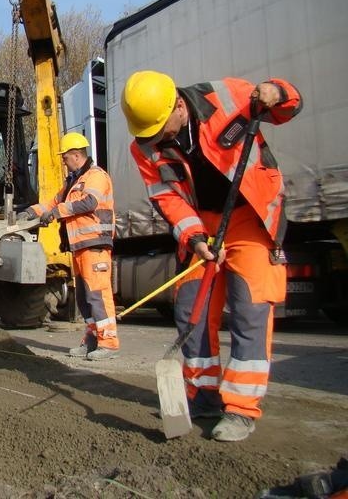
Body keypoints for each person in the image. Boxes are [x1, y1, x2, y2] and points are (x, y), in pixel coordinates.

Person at [121, 70, 302, 442]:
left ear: (177, 106)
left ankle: (240, 409)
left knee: (250, 308)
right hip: (202, 223)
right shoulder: (143, 146)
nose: (158, 140)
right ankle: (201, 395)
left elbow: (288, 106)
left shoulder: (227, 96)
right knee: (191, 310)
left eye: (161, 130)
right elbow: (166, 197)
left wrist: (276, 91)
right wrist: (195, 236)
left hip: (251, 215)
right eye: (149, 135)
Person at [20, 132, 118, 360]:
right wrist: (30, 212)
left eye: (65, 156)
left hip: (95, 245)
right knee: (85, 299)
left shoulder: (96, 177)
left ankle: (109, 343)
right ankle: (92, 340)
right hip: (79, 247)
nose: (63, 160)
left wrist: (57, 212)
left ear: (76, 155)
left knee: (98, 295)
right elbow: (52, 203)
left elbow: (88, 203)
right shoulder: (73, 182)